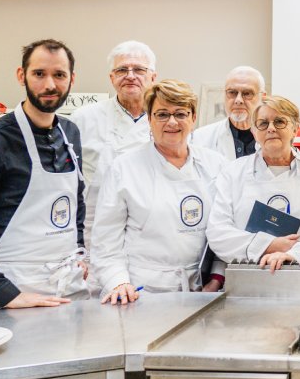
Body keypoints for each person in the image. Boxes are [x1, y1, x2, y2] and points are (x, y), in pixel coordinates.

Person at [0, 39, 89, 308]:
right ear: (21, 75)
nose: (50, 85)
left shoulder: (70, 132)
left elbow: (77, 201)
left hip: (68, 287)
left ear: (71, 79)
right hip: (13, 289)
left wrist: (80, 250)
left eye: (59, 75)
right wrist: (4, 292)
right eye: (39, 74)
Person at [93, 80, 225, 304]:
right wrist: (118, 282)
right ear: (149, 119)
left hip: (202, 290)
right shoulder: (124, 168)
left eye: (180, 114)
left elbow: (226, 228)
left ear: (193, 118)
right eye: (162, 114)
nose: (172, 122)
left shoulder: (217, 165)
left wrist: (217, 276)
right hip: (142, 291)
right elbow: (105, 241)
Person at [207, 96, 300, 272]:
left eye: (279, 122)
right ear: (254, 132)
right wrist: (268, 245)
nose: (271, 128)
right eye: (263, 124)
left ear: (295, 128)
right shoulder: (233, 173)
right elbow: (218, 233)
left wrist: (295, 255)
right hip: (248, 277)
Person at [70, 40, 157, 253]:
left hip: (149, 229)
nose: (130, 75)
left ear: (153, 77)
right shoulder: (83, 118)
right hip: (94, 228)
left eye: (138, 69)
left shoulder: (166, 121)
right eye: (121, 70)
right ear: (112, 78)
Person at [193, 66, 266, 160]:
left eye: (247, 93)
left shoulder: (274, 138)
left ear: (263, 97)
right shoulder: (200, 139)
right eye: (232, 92)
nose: (238, 100)